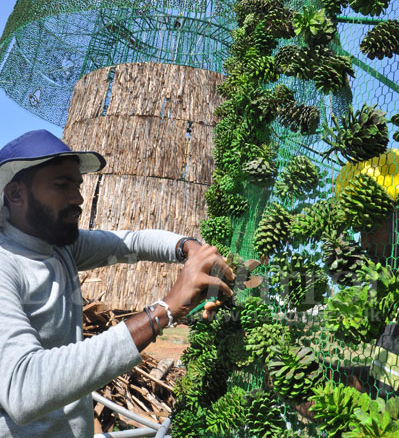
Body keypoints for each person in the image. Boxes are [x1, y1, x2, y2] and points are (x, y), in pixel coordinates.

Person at [0, 129, 234, 438]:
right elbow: (23, 388)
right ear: (16, 194)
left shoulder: (59, 246)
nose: (79, 198)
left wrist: (189, 249)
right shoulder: (7, 266)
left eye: (78, 185)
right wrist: (164, 310)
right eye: (61, 185)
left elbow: (131, 243)